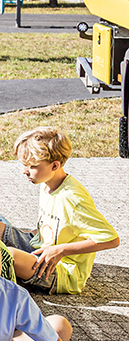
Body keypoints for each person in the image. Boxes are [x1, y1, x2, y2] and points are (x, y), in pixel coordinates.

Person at [11, 126, 119, 295]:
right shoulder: (46, 183)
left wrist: (61, 250)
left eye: (32, 166)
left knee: (7, 255)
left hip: (60, 270)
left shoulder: (73, 198)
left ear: (55, 165)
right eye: (24, 165)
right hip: (40, 248)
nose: (24, 171)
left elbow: (111, 239)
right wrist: (35, 232)